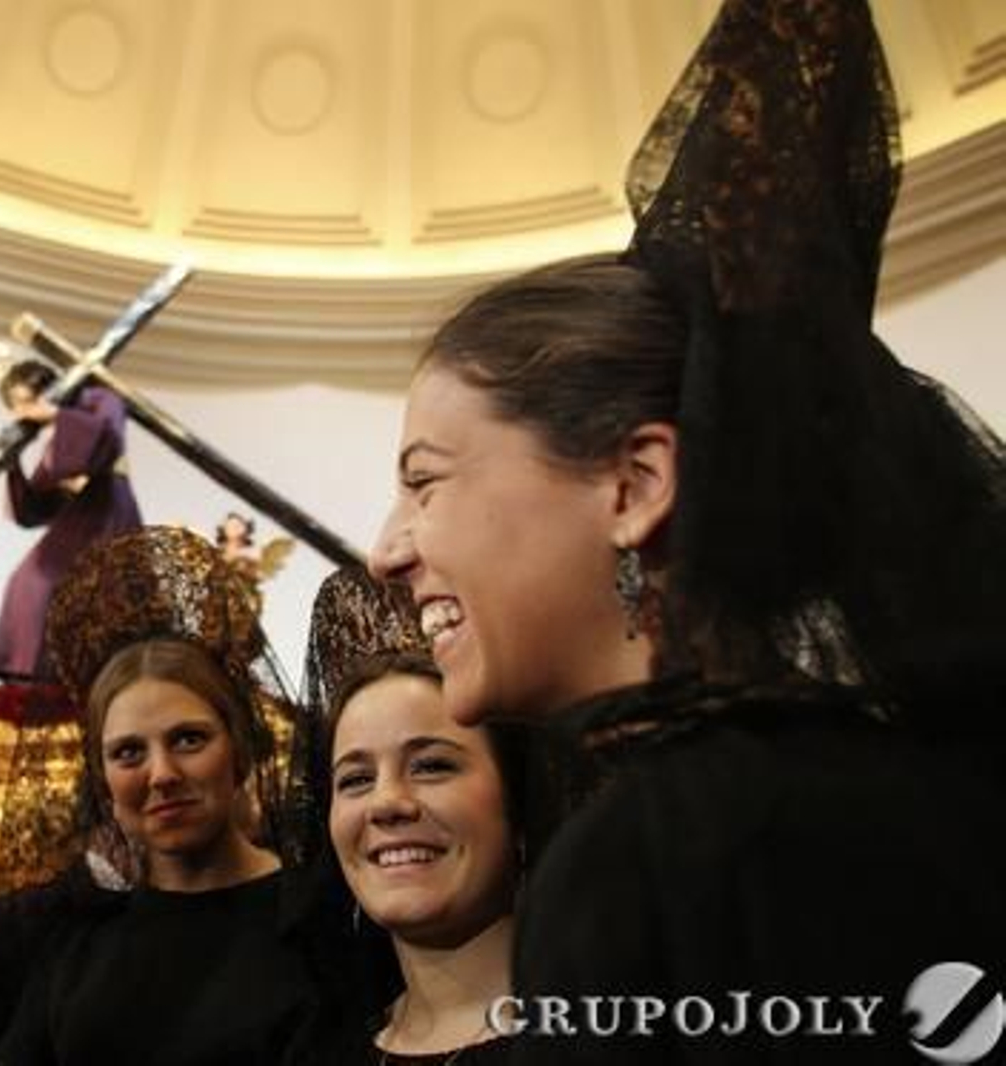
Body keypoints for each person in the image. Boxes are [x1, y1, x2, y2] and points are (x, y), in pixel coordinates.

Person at [369, 2, 1006, 1061]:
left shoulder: (647, 863)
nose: (387, 550)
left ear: (634, 483)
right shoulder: (922, 783)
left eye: (423, 482)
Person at [0, 525, 316, 1065]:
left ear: (239, 750)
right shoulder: (76, 937)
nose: (160, 774)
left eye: (188, 739)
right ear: (102, 780)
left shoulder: (313, 922)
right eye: (129, 753)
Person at [298, 567, 526, 1065]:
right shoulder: (318, 1052)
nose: (387, 803)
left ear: (518, 798)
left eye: (431, 766)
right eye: (356, 779)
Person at [0, 358, 142, 682]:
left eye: (25, 402)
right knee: (26, 581)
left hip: (107, 510)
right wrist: (11, 467)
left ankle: (69, 676)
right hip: (75, 522)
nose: (23, 413)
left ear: (44, 390)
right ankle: (32, 675)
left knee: (60, 586)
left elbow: (109, 441)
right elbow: (35, 508)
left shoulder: (98, 399)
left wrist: (56, 415)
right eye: (16, 407)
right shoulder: (55, 439)